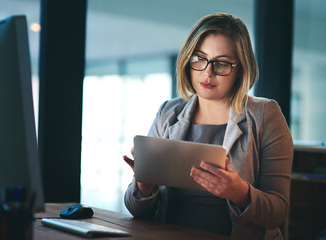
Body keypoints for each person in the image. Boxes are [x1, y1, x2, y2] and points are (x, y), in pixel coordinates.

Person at [123, 13, 293, 240]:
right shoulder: (168, 112)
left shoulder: (265, 115)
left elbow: (277, 212)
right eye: (199, 58)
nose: (208, 72)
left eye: (221, 63)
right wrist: (144, 184)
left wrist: (239, 193)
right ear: (187, 59)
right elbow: (136, 210)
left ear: (241, 68)